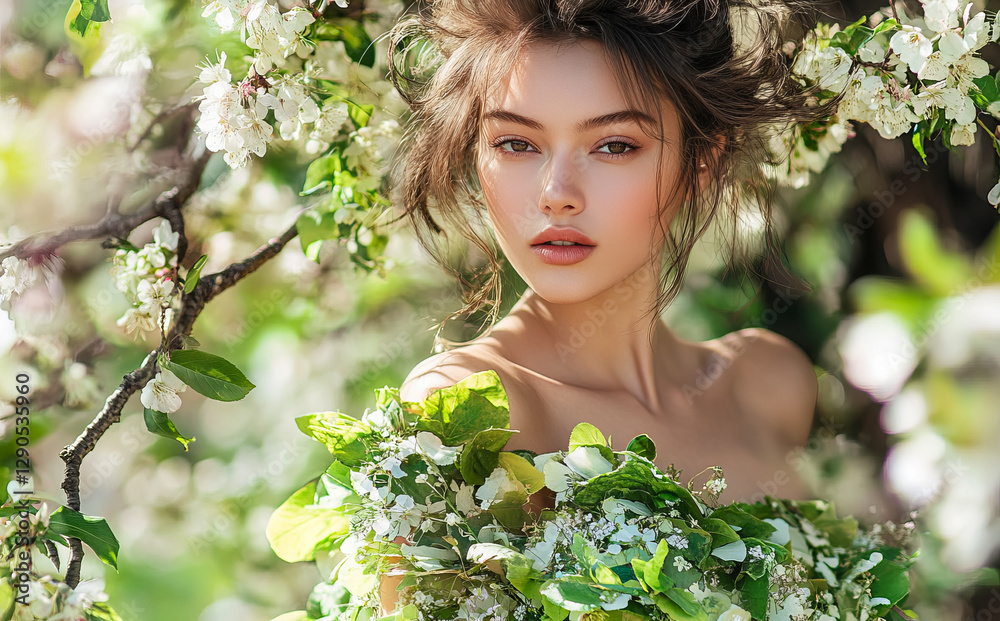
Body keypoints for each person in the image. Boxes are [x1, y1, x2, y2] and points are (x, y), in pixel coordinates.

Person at [381, 2, 825, 605]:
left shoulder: (769, 383)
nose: (557, 194)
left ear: (704, 161)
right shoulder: (470, 409)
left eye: (614, 145)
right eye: (516, 143)